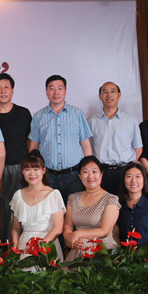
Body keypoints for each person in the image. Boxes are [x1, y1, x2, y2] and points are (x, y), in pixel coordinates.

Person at [29, 75, 93, 204]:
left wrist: (89, 170)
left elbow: (85, 144)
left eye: (59, 88)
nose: (56, 92)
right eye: (51, 88)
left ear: (65, 90)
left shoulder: (77, 113)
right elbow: (33, 146)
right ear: (46, 91)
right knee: (50, 211)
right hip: (48, 175)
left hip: (74, 174)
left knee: (74, 210)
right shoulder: (39, 116)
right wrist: (35, 171)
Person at [0, 73, 33, 216]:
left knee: (22, 207)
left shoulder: (24, 113)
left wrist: (29, 166)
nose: (3, 91)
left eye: (6, 87)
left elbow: (29, 141)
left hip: (20, 168)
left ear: (12, 90)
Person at [89, 82, 143, 195]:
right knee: (102, 203)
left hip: (125, 171)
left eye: (113, 91)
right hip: (101, 172)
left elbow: (138, 148)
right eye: (105, 92)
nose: (109, 95)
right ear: (100, 96)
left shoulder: (130, 120)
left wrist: (129, 167)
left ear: (119, 95)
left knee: (125, 203)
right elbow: (88, 148)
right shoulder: (91, 121)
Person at [9, 151, 65, 259]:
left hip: (46, 245)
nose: (32, 173)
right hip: (24, 245)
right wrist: (15, 248)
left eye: (36, 169)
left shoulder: (53, 194)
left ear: (43, 170)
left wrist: (39, 247)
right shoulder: (18, 195)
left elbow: (58, 228)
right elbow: (15, 227)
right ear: (22, 171)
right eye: (27, 169)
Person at [62, 156, 119, 260]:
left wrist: (78, 234)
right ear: (80, 176)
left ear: (101, 174)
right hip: (78, 253)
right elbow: (67, 228)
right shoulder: (73, 198)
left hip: (102, 253)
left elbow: (104, 231)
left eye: (94, 171)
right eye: (85, 172)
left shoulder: (111, 199)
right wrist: (71, 240)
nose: (90, 176)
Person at [115, 163, 148, 245]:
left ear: (144, 180)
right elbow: (115, 235)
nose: (133, 181)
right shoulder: (118, 206)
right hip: (125, 252)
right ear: (124, 180)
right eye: (129, 176)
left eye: (138, 176)